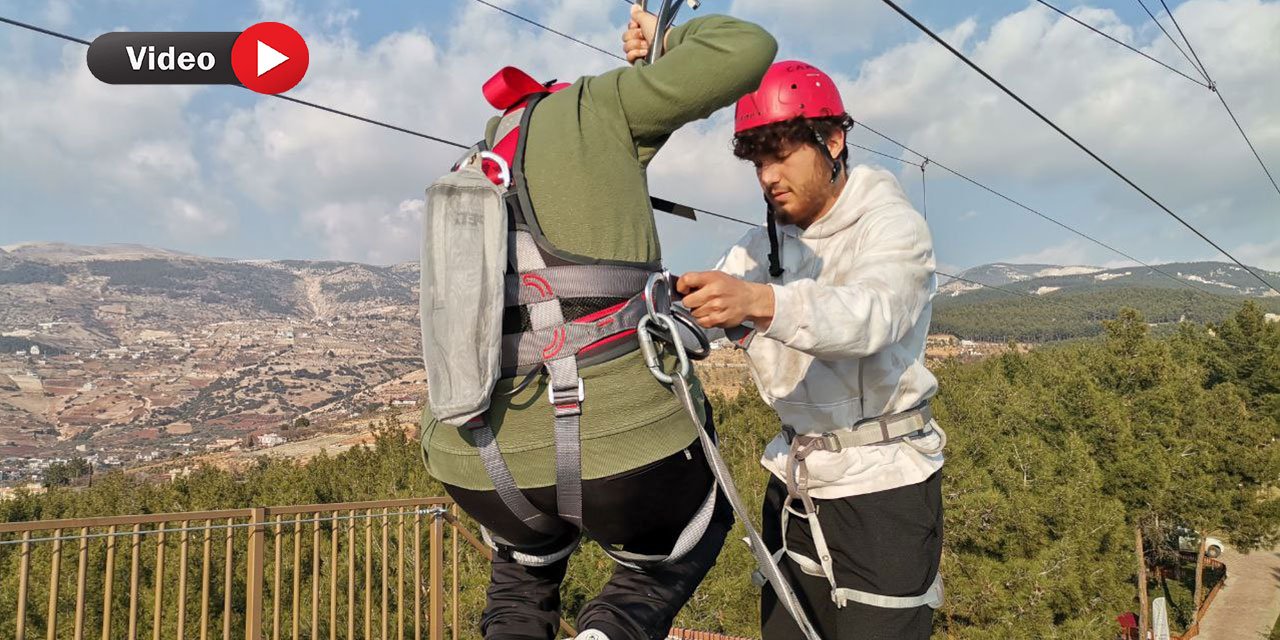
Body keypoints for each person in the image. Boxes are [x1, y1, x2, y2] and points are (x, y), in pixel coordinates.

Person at [420, 6, 777, 640]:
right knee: (684, 538)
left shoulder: (476, 167)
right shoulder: (598, 107)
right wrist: (668, 39)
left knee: (522, 571)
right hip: (623, 451)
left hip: (476, 462)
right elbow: (745, 48)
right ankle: (611, 630)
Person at [621, 42, 946, 640]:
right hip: (794, 484)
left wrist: (760, 303)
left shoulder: (893, 228)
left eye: (781, 154)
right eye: (756, 162)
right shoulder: (757, 247)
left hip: (882, 491)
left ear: (832, 141)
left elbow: (870, 315)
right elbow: (704, 312)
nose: (768, 176)